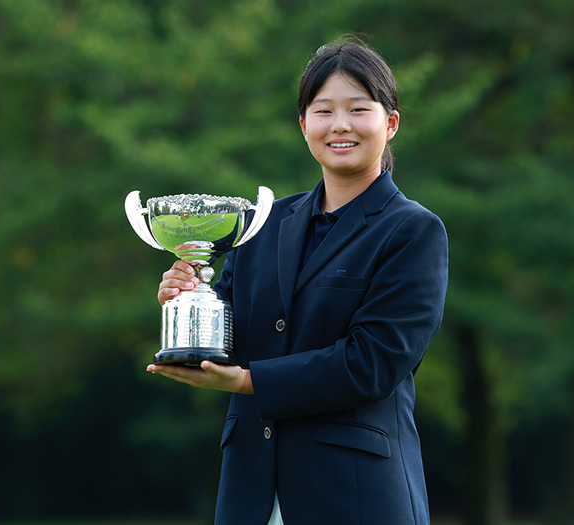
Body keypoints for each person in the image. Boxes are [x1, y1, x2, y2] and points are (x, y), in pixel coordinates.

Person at [148, 37, 448, 525]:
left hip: (356, 497)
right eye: (323, 110)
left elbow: (372, 362)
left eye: (358, 109)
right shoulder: (262, 222)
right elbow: (231, 335)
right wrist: (188, 300)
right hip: (251, 496)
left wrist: (250, 383)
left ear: (390, 123)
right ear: (304, 125)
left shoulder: (413, 230)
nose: (341, 125)